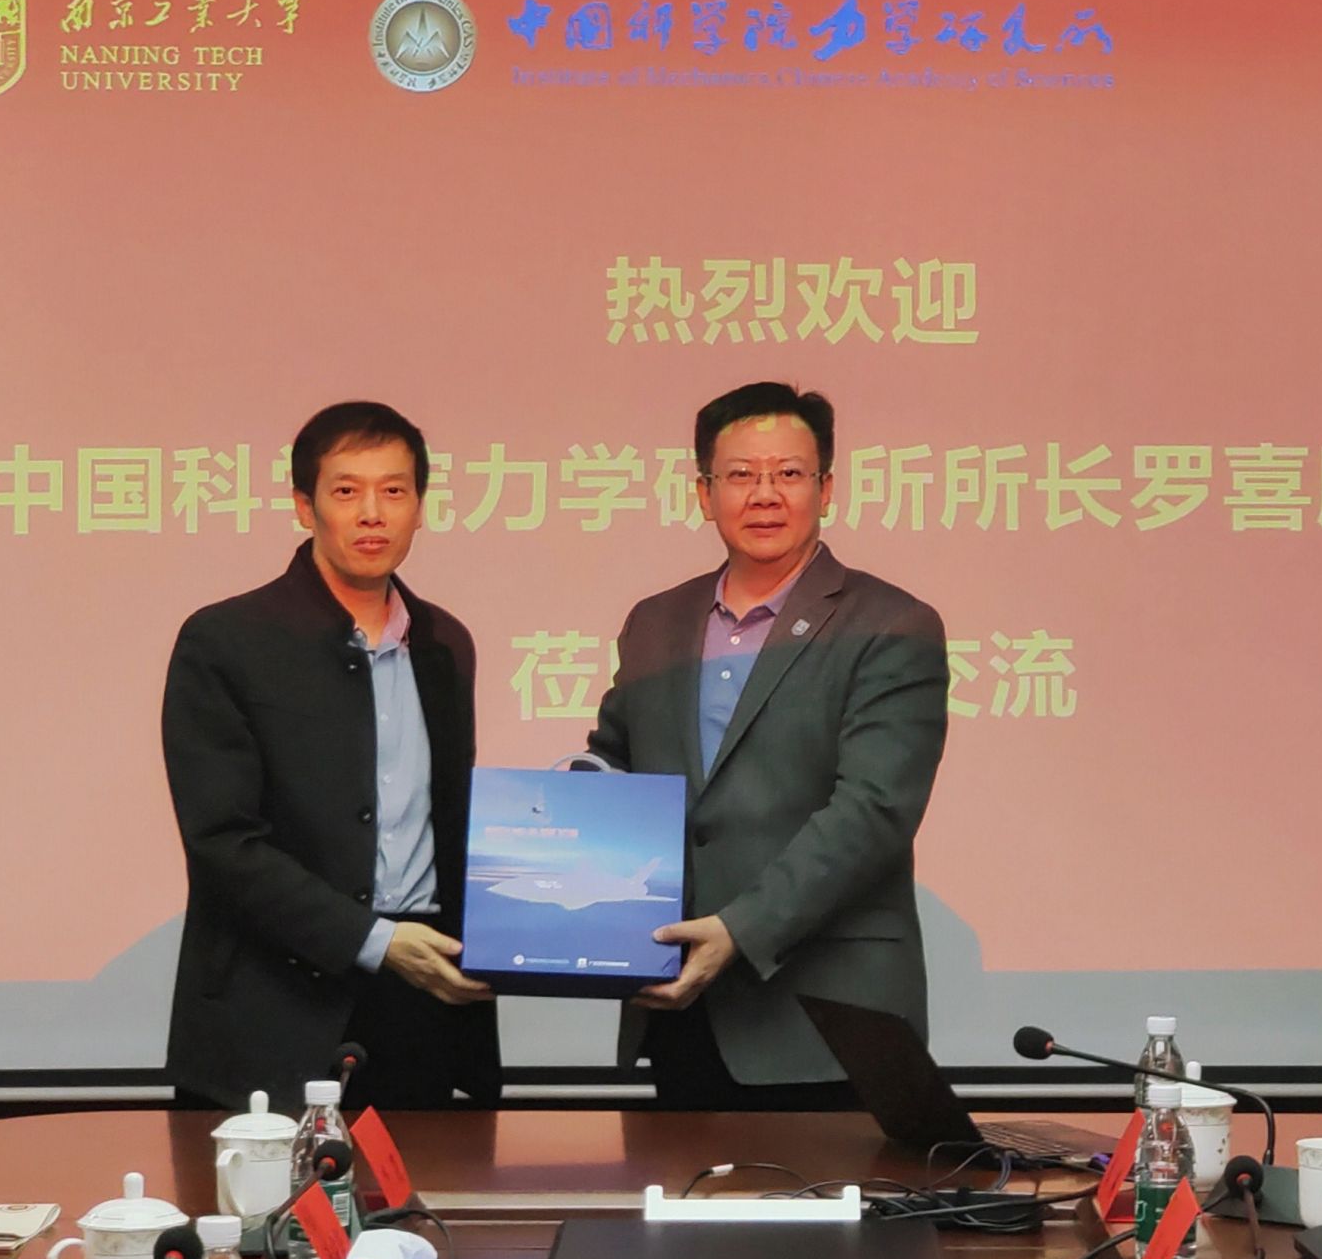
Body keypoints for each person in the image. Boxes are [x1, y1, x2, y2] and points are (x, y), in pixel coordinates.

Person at [586, 381, 950, 1107]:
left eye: (788, 473)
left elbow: (874, 811)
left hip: (826, 1019)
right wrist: (562, 806)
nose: (765, 494)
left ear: (826, 488)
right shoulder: (655, 622)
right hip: (679, 1002)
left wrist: (739, 929)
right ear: (704, 492)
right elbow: (617, 759)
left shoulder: (891, 623)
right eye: (741, 475)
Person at [161, 401, 499, 1113]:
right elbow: (222, 841)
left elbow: (449, 820)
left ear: (420, 507)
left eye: (394, 490)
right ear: (303, 505)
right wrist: (371, 939)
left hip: (421, 998)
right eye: (347, 491)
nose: (372, 513)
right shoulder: (227, 641)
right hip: (272, 1014)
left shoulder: (445, 643)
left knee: (423, 1188)